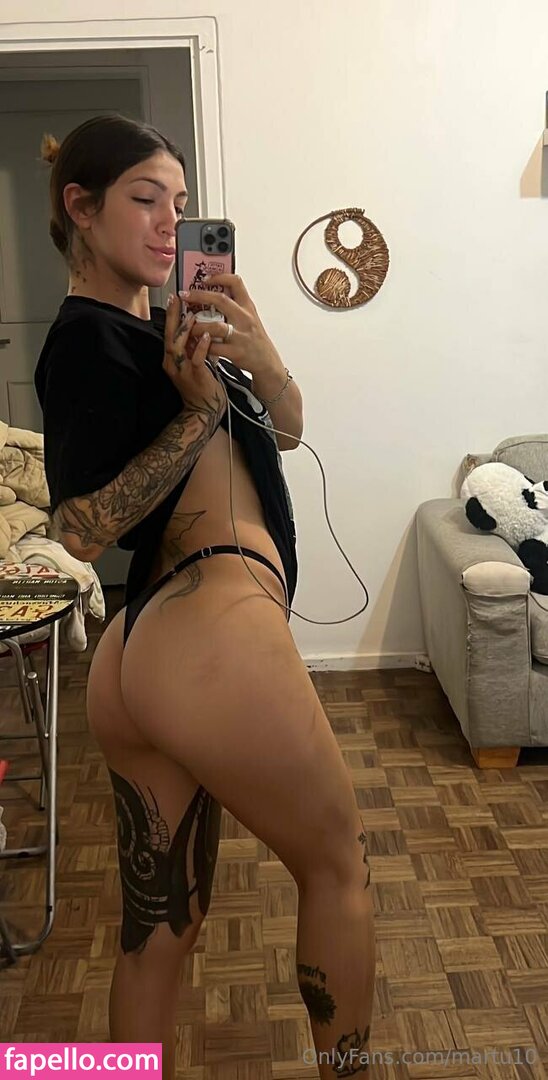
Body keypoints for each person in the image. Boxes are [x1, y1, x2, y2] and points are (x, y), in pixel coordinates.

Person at [34, 114, 375, 1078]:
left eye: (180, 206)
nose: (168, 224)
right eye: (145, 200)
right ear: (81, 208)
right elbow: (81, 530)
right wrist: (197, 415)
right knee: (337, 866)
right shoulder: (84, 341)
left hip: (147, 653)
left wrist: (255, 348)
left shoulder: (175, 335)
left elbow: (290, 427)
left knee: (159, 932)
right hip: (209, 623)